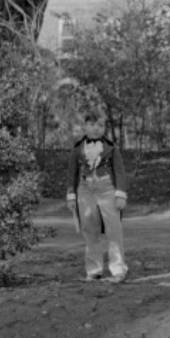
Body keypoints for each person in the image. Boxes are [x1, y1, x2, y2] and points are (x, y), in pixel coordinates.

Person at [66, 110, 129, 283]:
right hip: (85, 190)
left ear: (104, 128)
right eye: (92, 124)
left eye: (100, 125)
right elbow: (72, 173)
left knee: (113, 229)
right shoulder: (77, 149)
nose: (96, 129)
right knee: (89, 229)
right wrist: (71, 195)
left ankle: (118, 270)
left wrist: (121, 194)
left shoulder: (111, 148)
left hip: (107, 188)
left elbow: (120, 172)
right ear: (85, 126)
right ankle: (94, 270)